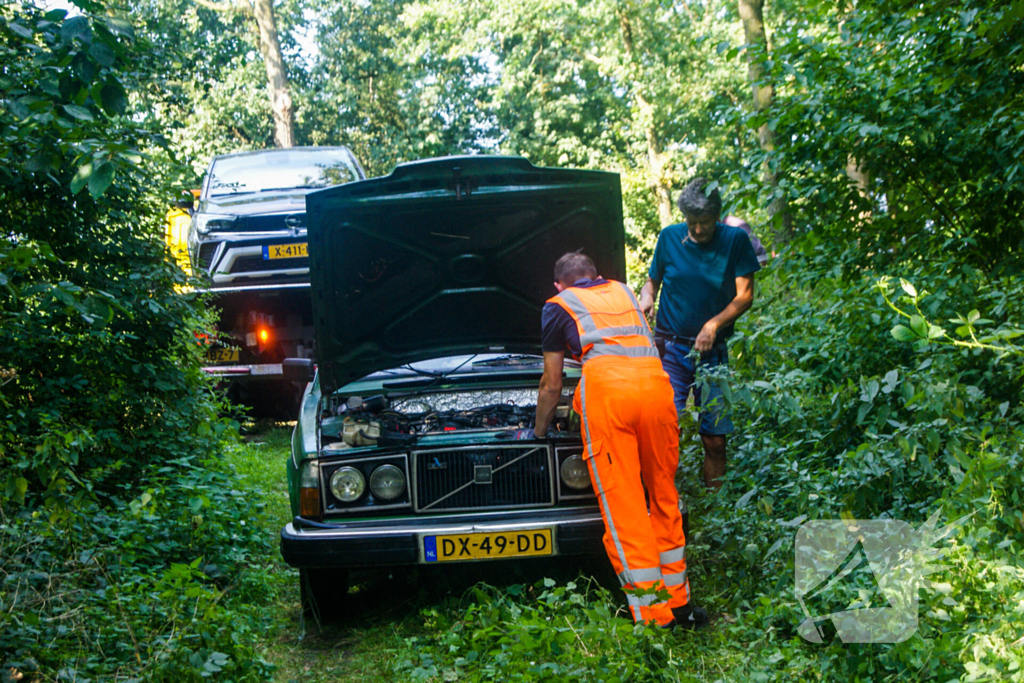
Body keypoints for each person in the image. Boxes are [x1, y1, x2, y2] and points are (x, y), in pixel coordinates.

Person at [527, 250, 708, 629]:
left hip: (610, 398)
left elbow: (551, 384)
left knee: (625, 507)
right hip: (657, 391)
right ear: (596, 274)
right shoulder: (625, 292)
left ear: (559, 285)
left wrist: (538, 432)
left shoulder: (559, 304)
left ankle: (655, 617)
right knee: (664, 496)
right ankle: (680, 605)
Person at [640, 178, 761, 491]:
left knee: (715, 438)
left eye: (704, 222)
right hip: (670, 349)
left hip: (713, 353)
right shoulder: (669, 237)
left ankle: (715, 506)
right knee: (665, 428)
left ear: (717, 216)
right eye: (691, 221)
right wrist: (647, 296)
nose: (697, 229)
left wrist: (713, 325)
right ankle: (662, 501)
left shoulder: (735, 240)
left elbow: (745, 296)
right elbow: (652, 281)